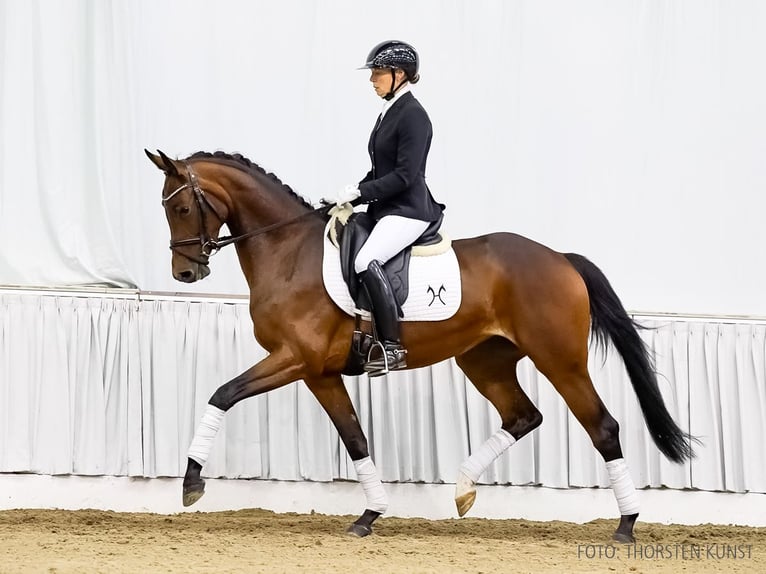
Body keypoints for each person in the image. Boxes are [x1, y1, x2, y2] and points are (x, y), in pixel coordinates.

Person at [326, 40, 445, 374]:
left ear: (399, 74)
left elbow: (405, 176)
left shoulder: (414, 116)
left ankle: (392, 347)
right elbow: (382, 169)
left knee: (366, 259)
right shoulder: (389, 111)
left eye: (378, 73)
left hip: (409, 209)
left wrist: (362, 192)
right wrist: (352, 193)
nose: (372, 80)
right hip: (386, 208)